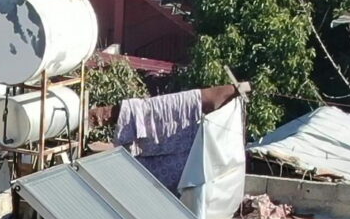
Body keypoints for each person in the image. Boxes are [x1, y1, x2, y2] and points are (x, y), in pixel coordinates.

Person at [93, 81, 248, 190]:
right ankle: (96, 118)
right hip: (188, 132)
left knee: (144, 170)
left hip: (189, 154)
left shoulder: (226, 136)